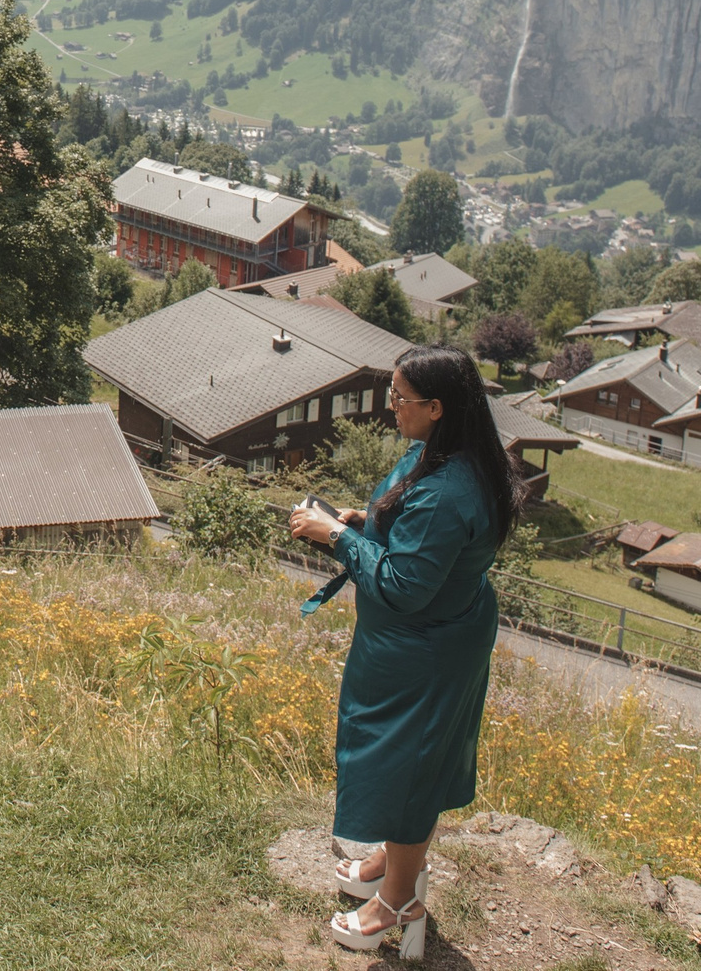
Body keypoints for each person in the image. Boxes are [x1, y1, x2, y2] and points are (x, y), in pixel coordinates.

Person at [288, 345, 523, 960]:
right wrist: (372, 522)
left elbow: (402, 585)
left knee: (412, 763)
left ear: (438, 408)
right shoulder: (446, 456)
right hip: (422, 638)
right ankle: (395, 865)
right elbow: (420, 540)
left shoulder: (450, 488)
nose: (391, 407)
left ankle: (399, 901)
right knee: (400, 752)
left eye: (400, 398)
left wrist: (338, 537)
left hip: (426, 646)